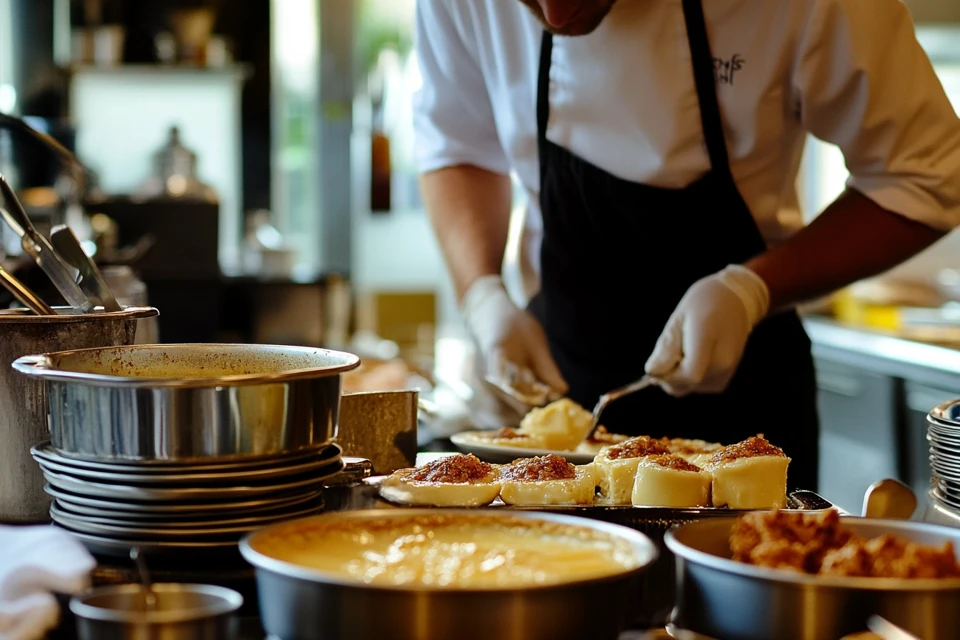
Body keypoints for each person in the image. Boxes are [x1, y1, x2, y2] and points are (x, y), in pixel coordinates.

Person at [412, 0, 960, 491]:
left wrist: (752, 289)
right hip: (560, 393)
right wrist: (481, 292)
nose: (556, 15)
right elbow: (457, 146)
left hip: (747, 418)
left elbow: (927, 177)